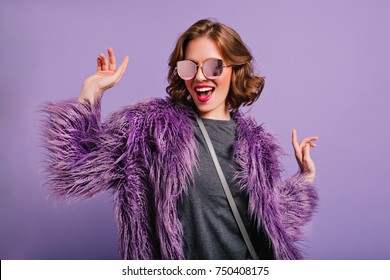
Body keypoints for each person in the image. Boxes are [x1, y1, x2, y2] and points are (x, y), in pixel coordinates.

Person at [41, 19, 319, 260]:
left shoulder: (258, 148)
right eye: (189, 67)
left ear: (234, 69)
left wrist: (304, 177)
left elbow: (274, 221)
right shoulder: (149, 130)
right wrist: (90, 90)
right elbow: (72, 171)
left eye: (213, 67)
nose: (199, 77)